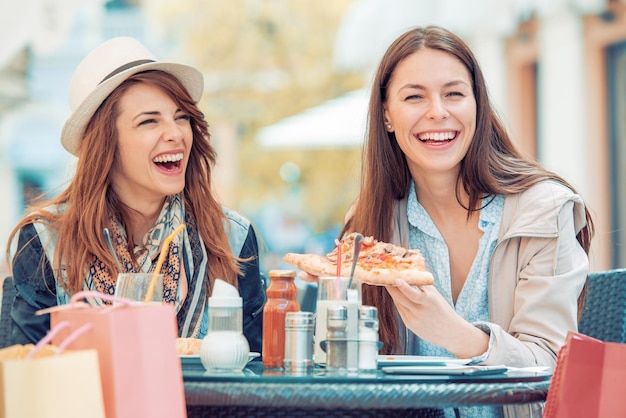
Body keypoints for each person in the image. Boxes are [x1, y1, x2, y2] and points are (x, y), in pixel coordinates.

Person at [303, 26, 593, 417]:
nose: (437, 111)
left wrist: (454, 334)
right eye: (414, 96)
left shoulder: (543, 211)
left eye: (454, 93)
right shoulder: (371, 226)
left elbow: (552, 370)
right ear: (387, 115)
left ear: (477, 106)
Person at [6, 37, 266, 353]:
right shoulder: (45, 240)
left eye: (181, 117)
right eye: (149, 121)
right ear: (106, 143)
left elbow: (258, 374)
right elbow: (28, 366)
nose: (176, 133)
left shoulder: (232, 237)